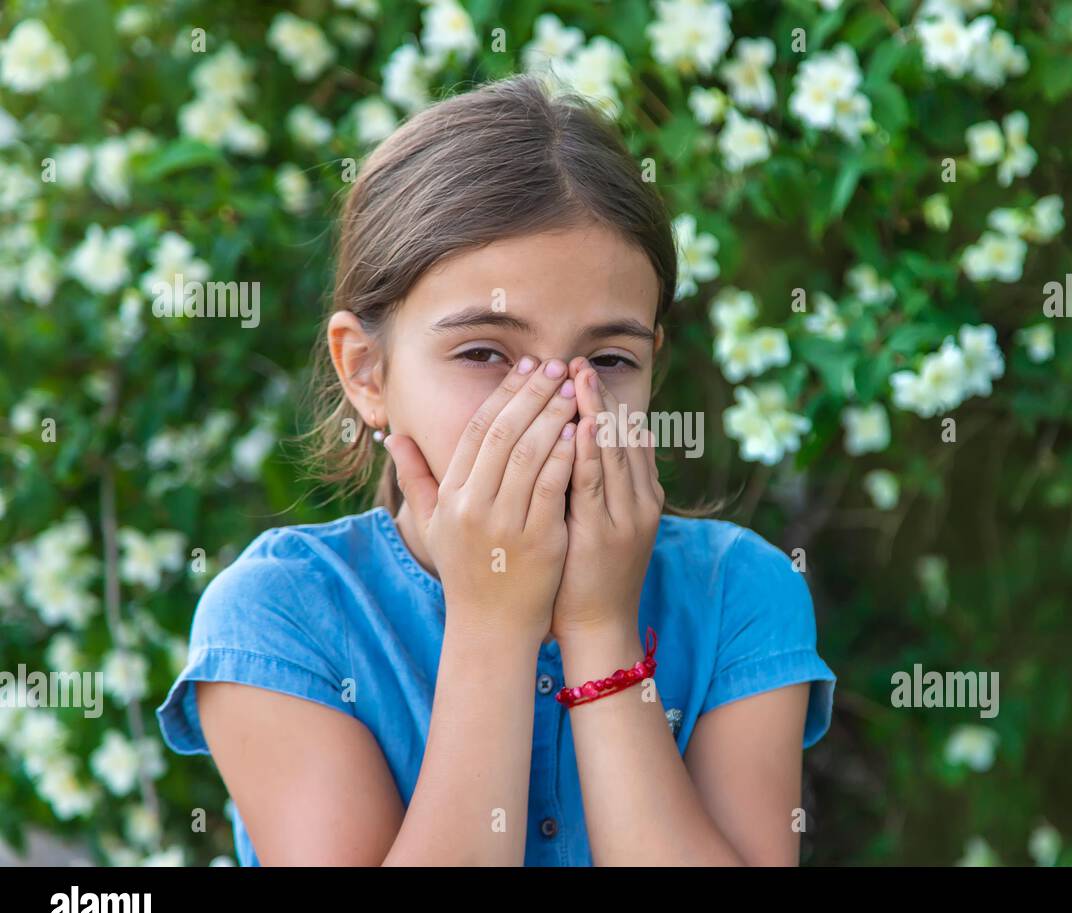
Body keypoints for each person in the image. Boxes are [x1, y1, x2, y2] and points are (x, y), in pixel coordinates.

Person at [155, 72, 836, 866]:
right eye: (484, 353)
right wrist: (494, 624)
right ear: (367, 372)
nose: (556, 406)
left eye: (608, 358)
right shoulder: (280, 618)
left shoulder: (739, 594)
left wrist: (598, 630)